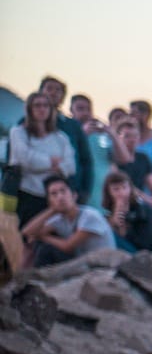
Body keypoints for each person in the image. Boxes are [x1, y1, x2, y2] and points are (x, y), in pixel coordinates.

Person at [8, 92, 74, 227]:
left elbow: (70, 166)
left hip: (54, 198)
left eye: (45, 106)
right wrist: (51, 162)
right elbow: (24, 159)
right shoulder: (19, 132)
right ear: (29, 109)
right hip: (27, 194)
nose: (42, 109)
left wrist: (56, 166)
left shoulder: (61, 138)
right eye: (37, 105)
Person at [21, 174, 116, 266]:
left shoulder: (90, 216)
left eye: (63, 191)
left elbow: (68, 247)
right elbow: (27, 232)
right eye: (54, 194)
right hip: (82, 264)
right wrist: (51, 211)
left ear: (74, 196)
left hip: (102, 266)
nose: (60, 197)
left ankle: (35, 280)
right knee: (37, 245)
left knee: (47, 248)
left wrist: (42, 236)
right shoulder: (59, 219)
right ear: (49, 201)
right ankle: (28, 277)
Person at [39, 76, 92, 204]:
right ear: (40, 93)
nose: (53, 93)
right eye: (49, 88)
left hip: (70, 192)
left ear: (63, 98)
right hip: (35, 192)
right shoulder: (26, 124)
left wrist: (85, 190)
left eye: (58, 90)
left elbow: (85, 160)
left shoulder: (72, 126)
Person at [101, 171, 152, 252]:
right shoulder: (109, 213)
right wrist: (114, 219)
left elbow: (143, 243)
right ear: (109, 192)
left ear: (130, 188)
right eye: (116, 189)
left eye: (124, 187)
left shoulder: (143, 210)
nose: (121, 193)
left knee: (111, 236)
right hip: (132, 249)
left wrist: (122, 227)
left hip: (149, 252)